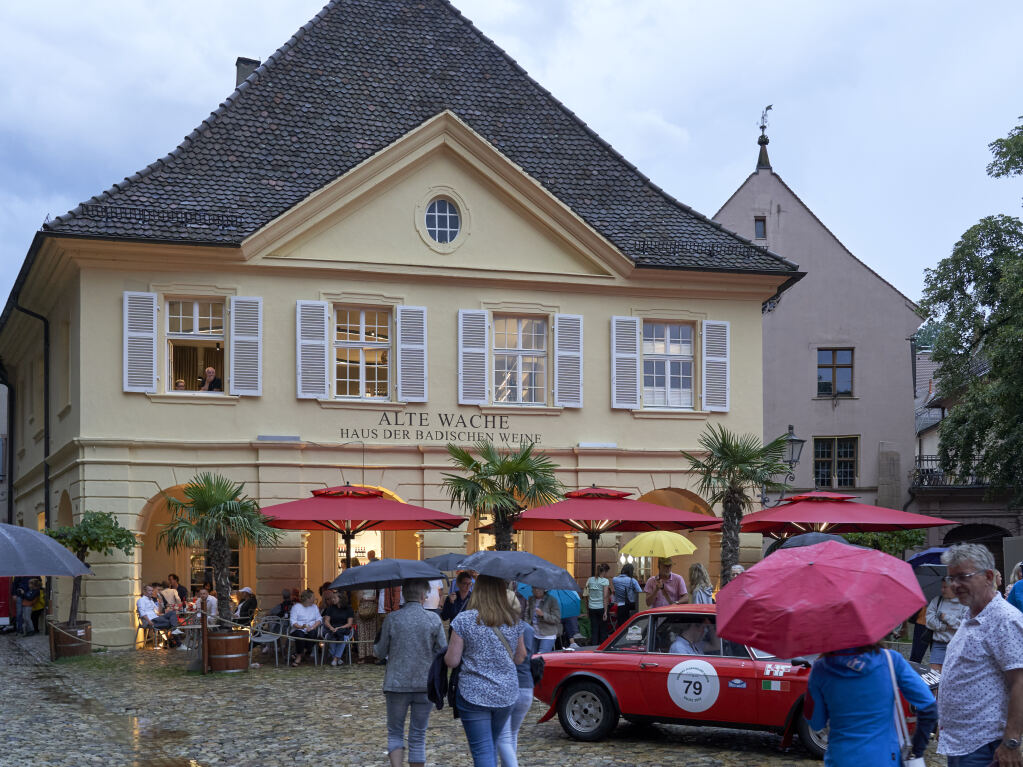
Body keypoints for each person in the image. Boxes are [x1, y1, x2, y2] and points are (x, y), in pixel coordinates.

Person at [937, 543, 1023, 766]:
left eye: (963, 577)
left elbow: (1020, 683)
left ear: (987, 576)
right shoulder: (971, 615)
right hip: (962, 742)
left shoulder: (1004, 620)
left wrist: (1011, 742)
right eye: (951, 578)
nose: (955, 585)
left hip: (985, 746)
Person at [805, 641, 937, 766]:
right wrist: (916, 750)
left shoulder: (821, 668)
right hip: (883, 759)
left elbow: (815, 722)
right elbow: (929, 706)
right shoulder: (890, 660)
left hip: (841, 758)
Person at [445, 575, 527, 767]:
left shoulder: (464, 620)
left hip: (473, 693)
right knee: (491, 743)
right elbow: (520, 657)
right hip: (505, 694)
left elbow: (452, 660)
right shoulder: (513, 620)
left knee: (483, 750)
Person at [374, 579, 447, 767]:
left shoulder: (393, 619)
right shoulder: (433, 619)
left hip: (397, 683)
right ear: (424, 596)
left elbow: (379, 652)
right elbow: (443, 650)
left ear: (404, 595)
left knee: (395, 732)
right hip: (424, 683)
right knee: (418, 735)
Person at [497, 619, 536, 767]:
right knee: (512, 734)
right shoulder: (528, 628)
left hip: (508, 686)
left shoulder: (501, 628)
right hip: (526, 685)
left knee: (503, 737)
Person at [925, 579, 968, 671]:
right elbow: (929, 621)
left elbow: (964, 625)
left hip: (957, 644)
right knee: (935, 675)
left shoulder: (964, 603)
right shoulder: (936, 601)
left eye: (945, 587)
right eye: (942, 587)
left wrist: (946, 617)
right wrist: (945, 627)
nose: (942, 590)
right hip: (938, 644)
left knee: (955, 673)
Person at [289, 589, 322, 666]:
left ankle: (299, 653)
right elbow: (293, 621)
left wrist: (313, 627)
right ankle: (299, 656)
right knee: (300, 635)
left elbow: (319, 619)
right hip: (298, 628)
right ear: (308, 599)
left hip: (311, 628)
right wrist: (301, 627)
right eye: (313, 597)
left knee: (313, 634)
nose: (314, 599)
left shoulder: (314, 607)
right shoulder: (296, 607)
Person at [322, 588, 355, 666]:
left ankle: (335, 658)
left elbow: (349, 623)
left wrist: (340, 628)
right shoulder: (330, 608)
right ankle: (338, 658)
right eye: (332, 598)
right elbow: (326, 621)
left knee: (343, 636)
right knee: (332, 635)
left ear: (341, 599)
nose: (332, 599)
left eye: (334, 598)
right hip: (332, 628)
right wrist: (331, 627)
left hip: (343, 629)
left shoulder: (348, 609)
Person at [527, 586, 561, 652]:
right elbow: (527, 615)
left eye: (539, 588)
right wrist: (527, 625)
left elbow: (556, 619)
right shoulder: (531, 599)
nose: (536, 590)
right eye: (534, 588)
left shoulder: (552, 600)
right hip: (534, 634)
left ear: (544, 589)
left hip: (548, 634)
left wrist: (543, 614)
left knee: (542, 656)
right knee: (532, 657)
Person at [585, 563, 611, 645]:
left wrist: (587, 609)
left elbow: (586, 595)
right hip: (601, 607)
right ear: (605, 572)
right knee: (603, 630)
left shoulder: (590, 580)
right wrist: (605, 612)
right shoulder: (605, 581)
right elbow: (605, 596)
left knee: (594, 630)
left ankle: (593, 648)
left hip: (591, 607)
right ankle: (602, 649)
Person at [356, 587, 380, 663]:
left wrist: (367, 598)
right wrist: (371, 599)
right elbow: (359, 598)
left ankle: (374, 655)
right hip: (362, 610)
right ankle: (362, 656)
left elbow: (378, 599)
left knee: (373, 633)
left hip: (373, 610)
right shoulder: (361, 584)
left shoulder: (376, 585)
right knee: (362, 634)